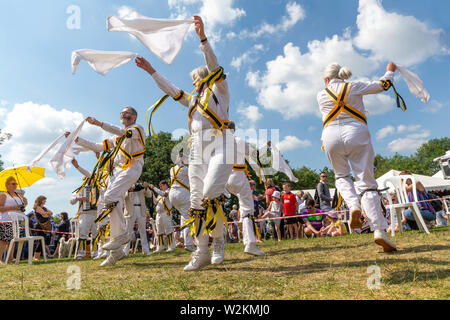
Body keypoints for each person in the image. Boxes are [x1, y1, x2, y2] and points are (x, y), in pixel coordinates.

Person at [137, 16, 235, 271]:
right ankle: (202, 251)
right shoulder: (191, 100)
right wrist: (151, 71)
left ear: (204, 78)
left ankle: (219, 242)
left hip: (221, 144)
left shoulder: (220, 91)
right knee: (195, 202)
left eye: (194, 78)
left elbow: (213, 64)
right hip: (196, 151)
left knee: (211, 193)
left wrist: (202, 39)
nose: (191, 82)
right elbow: (171, 90)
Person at [318, 61, 397, 252]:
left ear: (327, 79)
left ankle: (353, 204)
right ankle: (379, 230)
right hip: (356, 132)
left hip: (330, 136)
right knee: (366, 182)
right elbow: (382, 86)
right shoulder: (353, 86)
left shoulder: (320, 95)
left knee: (342, 176)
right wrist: (390, 72)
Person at [69, 106, 146, 266]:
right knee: (108, 205)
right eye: (122, 113)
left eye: (128, 113)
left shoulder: (137, 129)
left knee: (111, 197)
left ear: (134, 117)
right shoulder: (117, 138)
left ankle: (123, 235)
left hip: (132, 167)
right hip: (118, 172)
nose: (124, 115)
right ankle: (116, 252)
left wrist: (98, 123)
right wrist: (77, 139)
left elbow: (123, 132)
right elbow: (98, 147)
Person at [70, 159, 100, 259]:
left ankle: (95, 253)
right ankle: (80, 254)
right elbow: (71, 200)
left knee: (96, 234)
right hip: (85, 213)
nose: (91, 180)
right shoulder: (81, 189)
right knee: (83, 234)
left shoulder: (99, 188)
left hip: (96, 213)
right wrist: (79, 198)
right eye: (89, 178)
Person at [169, 155, 195, 252]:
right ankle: (189, 244)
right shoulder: (185, 169)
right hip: (182, 194)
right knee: (188, 218)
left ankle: (184, 236)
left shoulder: (171, 169)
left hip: (172, 196)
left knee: (184, 216)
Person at [0, 177, 28, 264]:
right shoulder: (4, 195)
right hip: (6, 220)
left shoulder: (19, 195)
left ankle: (10, 258)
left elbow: (21, 208)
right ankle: (0, 259)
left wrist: (25, 203)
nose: (15, 185)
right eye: (13, 183)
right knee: (4, 241)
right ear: (7, 185)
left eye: (16, 184)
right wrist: (14, 207)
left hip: (17, 221)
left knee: (13, 240)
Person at [123, 182, 153, 255]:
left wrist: (145, 187)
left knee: (143, 231)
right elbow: (122, 196)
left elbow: (149, 195)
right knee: (128, 232)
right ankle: (125, 251)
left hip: (141, 209)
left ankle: (146, 250)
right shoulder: (126, 185)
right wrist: (129, 190)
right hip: (130, 210)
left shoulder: (141, 186)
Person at [150, 180, 175, 253]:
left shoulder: (168, 192)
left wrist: (154, 188)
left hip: (166, 213)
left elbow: (164, 194)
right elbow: (156, 202)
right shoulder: (159, 194)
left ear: (165, 185)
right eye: (160, 187)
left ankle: (171, 246)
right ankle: (160, 246)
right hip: (159, 214)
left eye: (161, 186)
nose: (160, 188)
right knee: (159, 230)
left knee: (168, 229)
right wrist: (152, 195)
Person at [33, 196, 53, 260]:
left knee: (42, 241)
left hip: (43, 227)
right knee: (40, 241)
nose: (45, 201)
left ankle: (37, 256)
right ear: (41, 200)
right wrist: (47, 213)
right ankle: (36, 257)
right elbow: (44, 214)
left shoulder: (43, 207)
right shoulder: (37, 207)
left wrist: (46, 213)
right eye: (44, 200)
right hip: (39, 226)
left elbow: (51, 213)